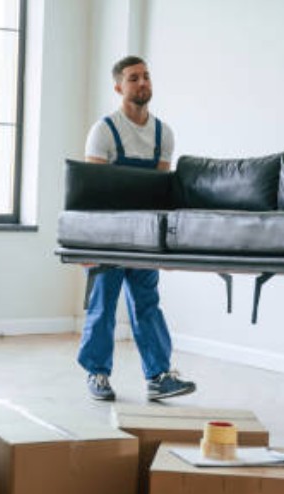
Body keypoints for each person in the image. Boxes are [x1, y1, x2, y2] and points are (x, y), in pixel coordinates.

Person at [78, 55, 196, 402]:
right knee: (104, 302)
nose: (142, 83)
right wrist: (88, 244)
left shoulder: (164, 133)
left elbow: (160, 191)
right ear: (119, 87)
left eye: (146, 77)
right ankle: (97, 373)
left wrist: (163, 246)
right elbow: (92, 191)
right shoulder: (104, 131)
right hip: (110, 232)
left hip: (144, 233)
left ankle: (159, 376)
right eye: (133, 78)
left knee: (147, 302)